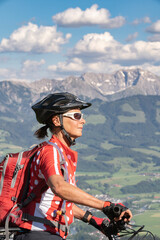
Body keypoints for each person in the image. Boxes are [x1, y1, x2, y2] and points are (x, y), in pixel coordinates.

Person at [14, 92, 132, 240]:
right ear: (57, 120)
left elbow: (57, 200)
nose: (83, 121)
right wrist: (106, 205)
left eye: (82, 116)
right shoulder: (50, 152)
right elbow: (60, 188)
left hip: (46, 233)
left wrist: (94, 220)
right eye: (77, 116)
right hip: (39, 233)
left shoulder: (61, 154)